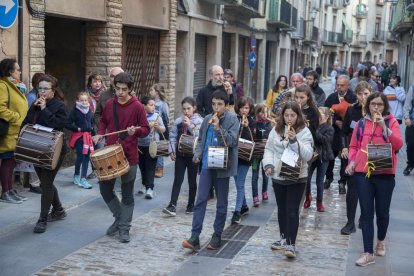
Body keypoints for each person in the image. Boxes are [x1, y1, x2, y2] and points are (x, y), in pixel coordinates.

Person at [345, 92, 403, 267]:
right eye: (373, 104)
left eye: (380, 104)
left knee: (382, 213)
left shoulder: (391, 122)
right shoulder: (361, 123)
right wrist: (352, 162)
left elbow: (399, 144)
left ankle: (381, 239)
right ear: (368, 106)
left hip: (385, 173)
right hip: (364, 173)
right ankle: (368, 252)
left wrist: (385, 129)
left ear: (384, 106)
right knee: (366, 213)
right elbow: (353, 145)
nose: (376, 108)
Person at [93, 72, 150, 243]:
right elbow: (103, 121)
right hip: (111, 152)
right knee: (104, 188)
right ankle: (119, 218)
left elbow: (146, 129)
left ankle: (124, 228)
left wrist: (136, 131)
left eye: (124, 89)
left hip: (129, 155)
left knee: (127, 194)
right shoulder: (110, 104)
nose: (120, 92)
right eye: (117, 89)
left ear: (131, 89)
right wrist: (100, 134)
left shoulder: (138, 106)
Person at [182, 90, 239, 251]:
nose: (216, 107)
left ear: (226, 106)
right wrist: (198, 154)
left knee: (221, 203)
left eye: (220, 104)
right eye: (214, 104)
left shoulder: (233, 120)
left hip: (223, 166)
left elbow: (233, 141)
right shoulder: (207, 118)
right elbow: (201, 139)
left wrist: (219, 128)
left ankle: (217, 235)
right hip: (207, 164)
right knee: (200, 201)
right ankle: (194, 236)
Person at [263, 101, 314, 258]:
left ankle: (291, 244)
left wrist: (294, 141)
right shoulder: (276, 130)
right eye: (286, 115)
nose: (289, 118)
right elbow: (269, 149)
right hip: (279, 175)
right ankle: (283, 238)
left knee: (292, 211)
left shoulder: (305, 132)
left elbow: (308, 155)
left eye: (292, 115)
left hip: (297, 176)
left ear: (298, 116)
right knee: (282, 209)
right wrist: (268, 165)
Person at [23, 74, 68, 232]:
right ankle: (59, 210)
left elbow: (58, 125)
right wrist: (35, 109)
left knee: (46, 183)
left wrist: (44, 109)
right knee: (44, 182)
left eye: (45, 89)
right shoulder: (35, 104)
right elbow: (26, 123)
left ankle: (42, 219)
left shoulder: (59, 106)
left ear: (52, 91)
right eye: (39, 88)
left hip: (54, 150)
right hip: (37, 148)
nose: (41, 91)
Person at [340, 81, 373, 235]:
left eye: (366, 94)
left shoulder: (376, 111)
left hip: (371, 154)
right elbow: (344, 131)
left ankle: (365, 218)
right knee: (352, 188)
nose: (363, 97)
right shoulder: (352, 110)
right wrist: (344, 147)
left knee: (369, 188)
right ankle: (350, 222)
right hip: (354, 154)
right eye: (360, 94)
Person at [162, 97, 203, 216]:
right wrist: (172, 150)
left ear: (194, 108)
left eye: (189, 109)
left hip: (193, 155)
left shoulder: (200, 121)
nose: (186, 111)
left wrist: (190, 125)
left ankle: (191, 205)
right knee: (177, 179)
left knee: (192, 180)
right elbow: (173, 136)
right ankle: (172, 205)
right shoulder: (178, 121)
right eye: (184, 109)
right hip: (180, 155)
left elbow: (200, 137)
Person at [0, 58, 29, 204]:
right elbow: (1, 108)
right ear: (10, 71)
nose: (20, 71)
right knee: (8, 160)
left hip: (15, 131)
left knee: (11, 161)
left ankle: (10, 190)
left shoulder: (13, 85)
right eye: (17, 69)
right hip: (8, 131)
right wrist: (16, 117)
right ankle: (5, 192)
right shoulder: (3, 85)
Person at [324, 75, 357, 193]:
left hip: (346, 134)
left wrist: (345, 123)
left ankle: (343, 182)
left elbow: (356, 116)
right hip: (332, 133)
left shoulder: (353, 98)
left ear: (348, 85)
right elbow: (324, 115)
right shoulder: (331, 98)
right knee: (330, 156)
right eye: (338, 85)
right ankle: (328, 177)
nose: (339, 87)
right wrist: (334, 122)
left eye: (342, 85)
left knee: (344, 158)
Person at [90, 67, 124, 179]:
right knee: (106, 163)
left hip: (124, 136)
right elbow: (97, 114)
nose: (115, 78)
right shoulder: (104, 95)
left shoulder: (130, 94)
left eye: (117, 75)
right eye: (112, 76)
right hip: (107, 135)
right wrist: (102, 128)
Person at [231, 96, 255, 224]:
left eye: (246, 108)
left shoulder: (252, 121)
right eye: (241, 107)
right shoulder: (235, 120)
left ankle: (237, 212)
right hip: (235, 156)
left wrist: (247, 127)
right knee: (237, 183)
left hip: (245, 157)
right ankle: (244, 206)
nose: (244, 110)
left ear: (250, 109)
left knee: (240, 183)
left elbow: (252, 139)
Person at [304, 107, 334, 211]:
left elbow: (324, 140)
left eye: (321, 115)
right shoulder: (312, 126)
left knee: (319, 181)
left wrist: (315, 130)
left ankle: (319, 202)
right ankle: (307, 197)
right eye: (318, 115)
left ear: (327, 116)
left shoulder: (329, 128)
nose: (319, 117)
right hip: (311, 156)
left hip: (323, 157)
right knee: (306, 178)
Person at [137, 96, 165, 199]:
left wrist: (158, 127)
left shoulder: (157, 116)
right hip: (140, 145)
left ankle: (150, 189)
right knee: (142, 167)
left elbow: (163, 129)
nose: (153, 107)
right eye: (151, 105)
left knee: (150, 167)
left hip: (152, 146)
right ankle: (144, 185)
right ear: (144, 106)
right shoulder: (139, 117)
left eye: (154, 105)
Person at [66, 92, 95, 189]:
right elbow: (68, 123)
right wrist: (78, 129)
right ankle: (77, 175)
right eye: (81, 100)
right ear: (78, 101)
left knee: (87, 157)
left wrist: (93, 132)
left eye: (85, 100)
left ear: (88, 101)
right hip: (79, 137)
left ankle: (83, 179)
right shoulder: (75, 111)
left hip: (88, 137)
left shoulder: (90, 110)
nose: (83, 102)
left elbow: (91, 123)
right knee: (80, 156)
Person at [251, 104, 272, 207]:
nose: (264, 114)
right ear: (258, 112)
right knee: (255, 175)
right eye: (262, 112)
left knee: (265, 175)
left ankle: (264, 192)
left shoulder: (269, 123)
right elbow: (251, 136)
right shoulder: (254, 123)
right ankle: (255, 196)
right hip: (255, 153)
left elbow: (270, 135)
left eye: (266, 112)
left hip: (265, 153)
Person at [149, 83, 169, 178]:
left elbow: (166, 117)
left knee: (160, 148)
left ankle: (160, 168)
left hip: (160, 127)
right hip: (153, 128)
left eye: (151, 90)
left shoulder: (163, 104)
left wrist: (161, 125)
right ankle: (153, 167)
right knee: (154, 146)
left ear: (157, 92)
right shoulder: (151, 103)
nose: (150, 92)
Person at [403, 84, 414, 176]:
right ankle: (410, 164)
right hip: (412, 122)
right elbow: (407, 104)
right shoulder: (413, 87)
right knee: (410, 145)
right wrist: (406, 117)